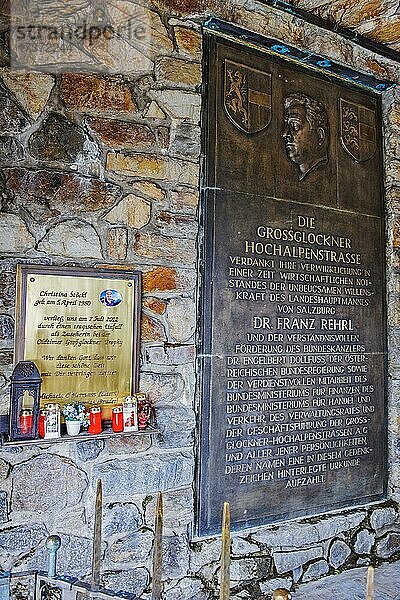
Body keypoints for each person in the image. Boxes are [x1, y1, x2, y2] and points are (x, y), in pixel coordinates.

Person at [281, 92, 329, 181]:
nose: (284, 134)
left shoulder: (325, 178)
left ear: (320, 136)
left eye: (295, 125)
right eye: (286, 126)